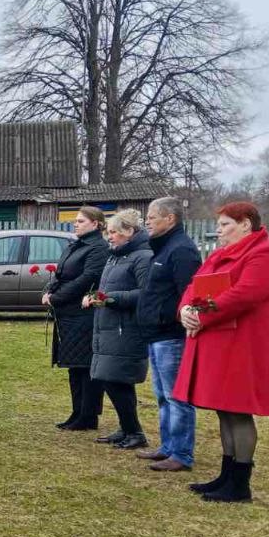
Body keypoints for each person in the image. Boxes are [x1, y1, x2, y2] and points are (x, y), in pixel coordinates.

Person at [176, 201, 269, 503]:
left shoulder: (266, 254)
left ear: (246, 224)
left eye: (225, 225)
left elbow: (245, 294)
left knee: (238, 410)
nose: (219, 230)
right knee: (223, 408)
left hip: (243, 344)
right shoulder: (220, 254)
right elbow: (194, 286)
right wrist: (185, 309)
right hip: (218, 341)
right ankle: (226, 474)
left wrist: (200, 314)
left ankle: (240, 483)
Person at [134, 197, 203, 472]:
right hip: (156, 334)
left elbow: (189, 294)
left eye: (152, 217)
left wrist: (171, 317)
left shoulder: (182, 250)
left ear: (170, 219)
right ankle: (167, 446)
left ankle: (182, 454)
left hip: (171, 335)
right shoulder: (163, 248)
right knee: (162, 395)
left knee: (177, 396)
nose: (147, 221)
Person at [84, 209, 152, 450]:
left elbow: (145, 293)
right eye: (108, 232)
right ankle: (126, 428)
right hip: (109, 326)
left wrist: (111, 298)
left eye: (114, 232)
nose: (109, 237)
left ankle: (135, 432)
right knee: (113, 380)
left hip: (127, 329)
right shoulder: (115, 257)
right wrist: (98, 297)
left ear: (130, 232)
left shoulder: (143, 257)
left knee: (115, 379)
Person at [43, 206, 109, 431]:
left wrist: (58, 297)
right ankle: (77, 411)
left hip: (84, 314)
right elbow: (60, 273)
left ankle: (88, 415)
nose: (76, 224)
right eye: (76, 220)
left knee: (85, 365)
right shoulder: (75, 245)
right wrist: (49, 290)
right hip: (67, 314)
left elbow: (87, 278)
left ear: (95, 224)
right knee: (73, 365)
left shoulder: (98, 248)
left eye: (81, 221)